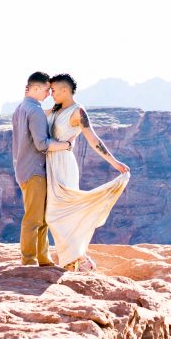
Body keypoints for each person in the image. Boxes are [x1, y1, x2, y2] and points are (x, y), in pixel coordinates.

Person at [45, 73, 131, 272]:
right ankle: (78, 260)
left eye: (54, 90)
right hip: (50, 163)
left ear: (65, 90)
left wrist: (114, 162)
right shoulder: (56, 110)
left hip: (64, 164)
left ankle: (80, 260)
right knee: (57, 214)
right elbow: (34, 116)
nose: (51, 94)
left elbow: (93, 139)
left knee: (56, 214)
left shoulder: (77, 111)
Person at [11, 71, 72, 266]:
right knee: (34, 219)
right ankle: (29, 260)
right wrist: (67, 145)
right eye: (46, 90)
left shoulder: (20, 109)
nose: (48, 94)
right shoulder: (34, 110)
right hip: (35, 171)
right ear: (36, 89)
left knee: (41, 216)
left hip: (24, 170)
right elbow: (42, 144)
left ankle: (43, 258)